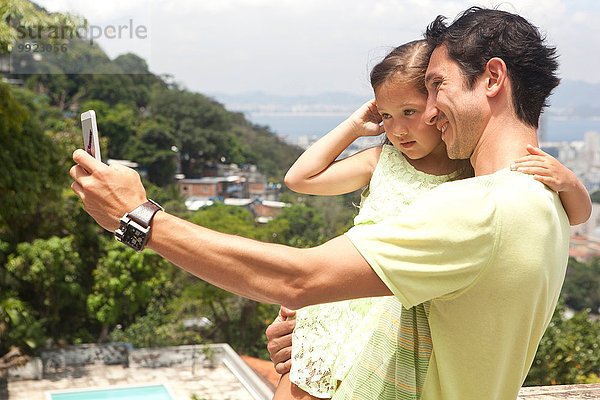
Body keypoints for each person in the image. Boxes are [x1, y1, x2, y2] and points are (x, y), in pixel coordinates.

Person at [69, 7, 590, 399]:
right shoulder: (546, 200)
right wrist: (317, 334)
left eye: (437, 86)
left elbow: (299, 277)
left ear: (493, 79)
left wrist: (136, 216)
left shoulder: (481, 207)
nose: (429, 112)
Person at [271, 41, 591, 399]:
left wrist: (569, 181)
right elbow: (300, 179)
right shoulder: (382, 160)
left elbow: (578, 214)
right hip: (341, 304)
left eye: (410, 111)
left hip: (392, 319)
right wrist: (353, 126)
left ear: (437, 107)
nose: (398, 130)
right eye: (387, 116)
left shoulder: (474, 181)